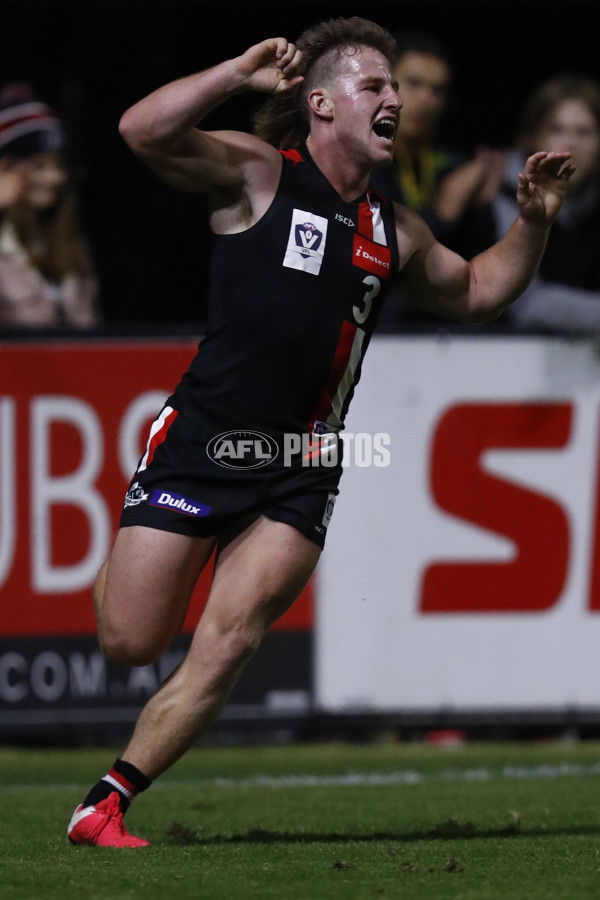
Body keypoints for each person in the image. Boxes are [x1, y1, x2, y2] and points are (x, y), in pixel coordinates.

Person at [66, 16, 573, 848]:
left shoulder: (393, 228)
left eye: (396, 88)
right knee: (130, 639)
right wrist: (235, 69)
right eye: (375, 86)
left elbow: (480, 289)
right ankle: (131, 567)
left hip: (305, 460)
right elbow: (139, 131)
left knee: (230, 639)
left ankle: (108, 801)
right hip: (206, 442)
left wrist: (536, 222)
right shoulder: (258, 174)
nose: (395, 100)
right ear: (320, 104)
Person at [369, 30, 505, 330]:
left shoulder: (454, 163)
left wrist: (482, 209)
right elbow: (382, 258)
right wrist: (444, 212)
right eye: (414, 84)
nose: (426, 100)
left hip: (447, 333)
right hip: (379, 331)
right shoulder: (361, 162)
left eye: (438, 90)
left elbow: (476, 271)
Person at [489, 74, 600, 334]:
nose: (571, 143)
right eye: (557, 129)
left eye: (584, 132)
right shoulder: (501, 196)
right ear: (532, 138)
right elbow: (524, 304)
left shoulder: (593, 202)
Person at [0, 83, 100, 330]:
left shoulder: (70, 242)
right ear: (5, 168)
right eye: (38, 166)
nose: (55, 178)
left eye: (58, 166)